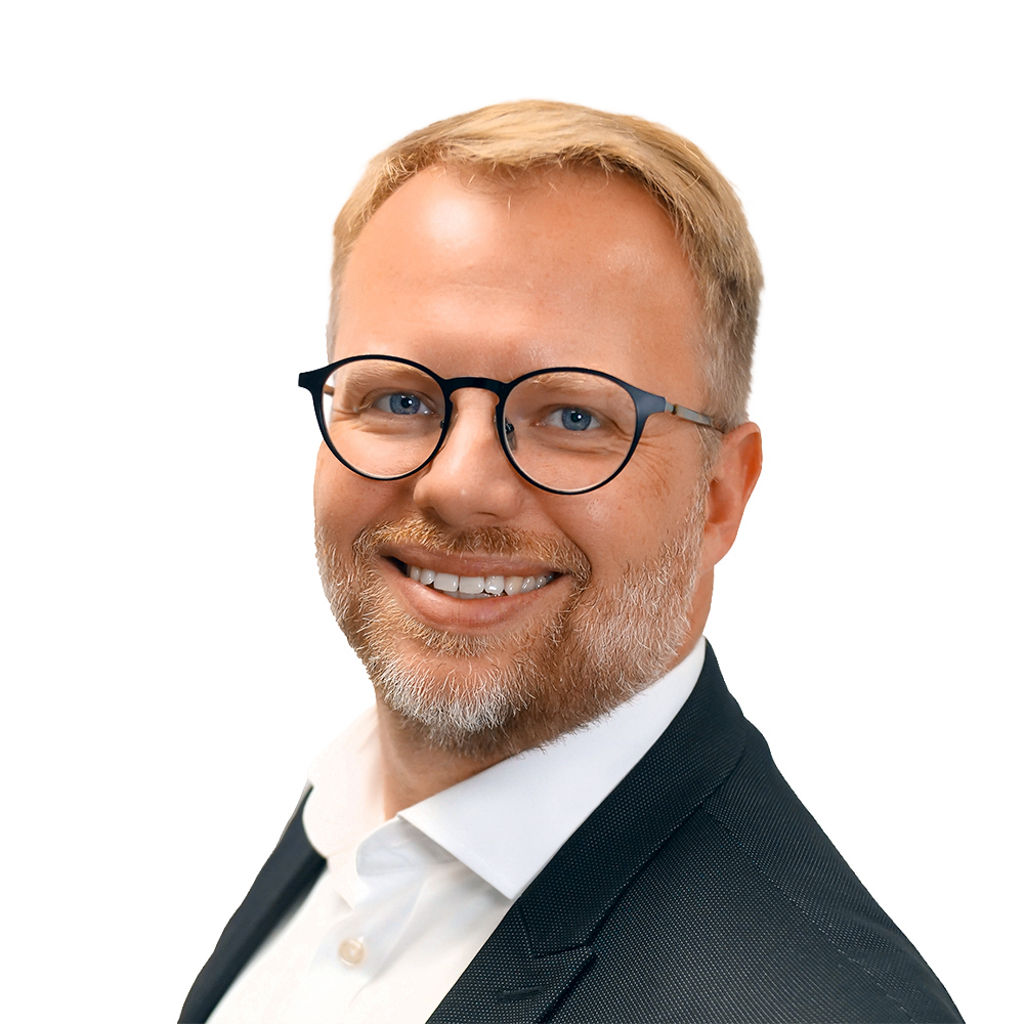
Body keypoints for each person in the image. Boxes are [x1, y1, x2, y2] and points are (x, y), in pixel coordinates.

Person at [180, 100, 962, 1023]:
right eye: (398, 399)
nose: (457, 485)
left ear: (720, 494)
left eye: (573, 415)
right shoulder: (343, 810)